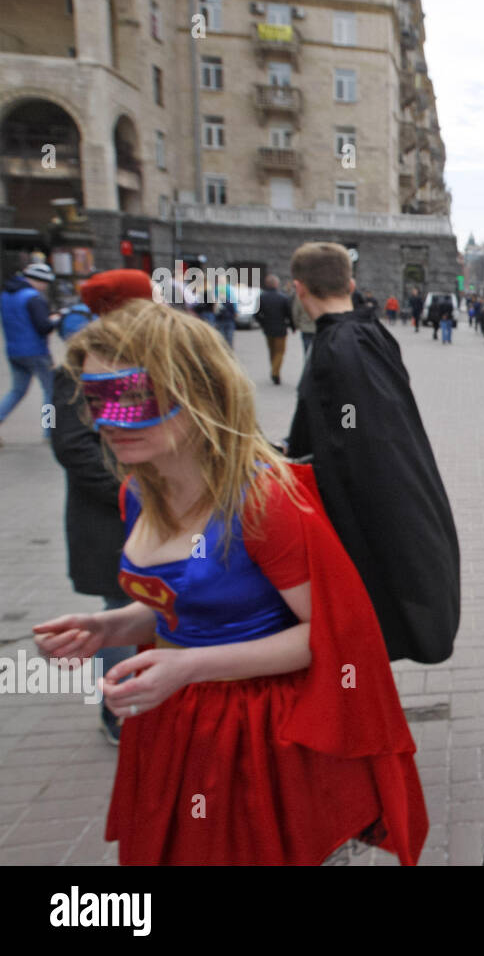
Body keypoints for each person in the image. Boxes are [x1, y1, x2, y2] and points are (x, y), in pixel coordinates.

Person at [35, 298, 427, 865]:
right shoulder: (137, 491)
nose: (106, 421)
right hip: (178, 723)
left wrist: (189, 665)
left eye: (128, 396)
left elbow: (327, 635)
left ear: (198, 392)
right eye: (94, 400)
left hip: (258, 740)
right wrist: (110, 624)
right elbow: (184, 603)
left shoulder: (264, 502)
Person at [285, 242, 459, 663]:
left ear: (299, 288)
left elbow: (361, 441)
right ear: (351, 282)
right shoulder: (367, 334)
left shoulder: (341, 348)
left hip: (364, 514)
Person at [50, 270, 152, 745]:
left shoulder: (151, 358)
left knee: (149, 606)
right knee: (120, 608)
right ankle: (120, 711)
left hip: (154, 515)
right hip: (110, 519)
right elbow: (72, 448)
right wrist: (133, 491)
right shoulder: (77, 370)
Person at [0, 261, 61, 444]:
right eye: (45, 282)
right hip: (36, 351)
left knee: (17, 391)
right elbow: (43, 327)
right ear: (38, 280)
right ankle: (49, 433)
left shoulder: (6, 295)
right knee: (50, 391)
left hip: (14, 351)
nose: (45, 287)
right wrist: (57, 319)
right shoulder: (33, 297)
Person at [254, 274, 294, 385]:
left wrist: (262, 323)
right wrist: (292, 325)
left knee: (272, 351)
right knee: (280, 352)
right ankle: (275, 372)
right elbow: (289, 314)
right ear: (276, 284)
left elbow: (256, 314)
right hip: (281, 329)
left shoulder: (261, 297)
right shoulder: (283, 298)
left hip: (268, 329)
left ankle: (275, 370)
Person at [291, 289, 315, 359]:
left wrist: (296, 325)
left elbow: (295, 313)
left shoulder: (300, 297)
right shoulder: (320, 296)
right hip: (317, 327)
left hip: (305, 327)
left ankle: (308, 365)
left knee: (306, 349)